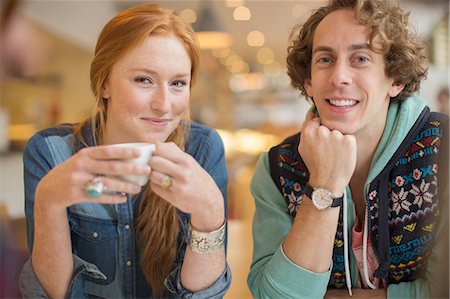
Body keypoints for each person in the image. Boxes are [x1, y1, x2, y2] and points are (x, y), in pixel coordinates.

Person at [19, 3, 231, 298]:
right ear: (104, 82)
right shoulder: (51, 153)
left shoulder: (203, 149)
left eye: (178, 83)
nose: (164, 105)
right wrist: (48, 201)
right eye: (144, 80)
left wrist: (211, 214)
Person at [247, 0, 448, 298]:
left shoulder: (442, 148)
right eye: (325, 59)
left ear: (396, 78)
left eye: (361, 59)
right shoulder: (277, 167)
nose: (339, 76)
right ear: (309, 81)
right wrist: (324, 184)